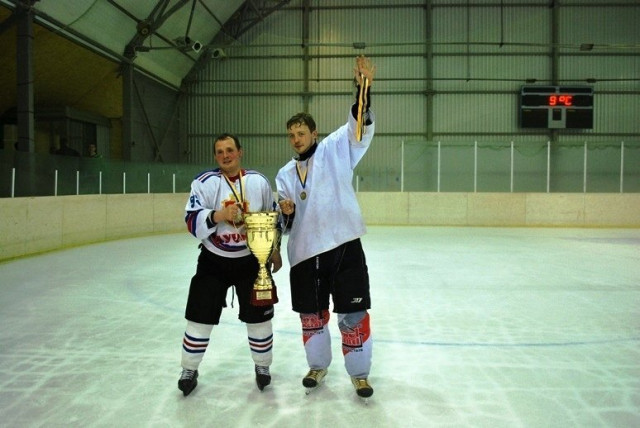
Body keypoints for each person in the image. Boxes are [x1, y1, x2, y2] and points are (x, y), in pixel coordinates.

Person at [276, 55, 376, 399]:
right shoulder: (284, 174)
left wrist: (362, 89)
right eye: (291, 135)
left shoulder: (335, 148)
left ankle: (359, 374)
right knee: (311, 317)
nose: (296, 139)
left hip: (344, 246)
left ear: (313, 133)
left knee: (353, 313)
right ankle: (317, 366)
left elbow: (358, 129)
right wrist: (286, 212)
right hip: (305, 254)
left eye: (301, 133)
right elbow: (285, 224)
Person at [178, 133, 282, 396]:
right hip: (213, 261)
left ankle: (262, 366)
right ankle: (189, 369)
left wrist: (274, 249)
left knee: (259, 317)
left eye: (230, 150)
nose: (225, 155)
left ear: (240, 152)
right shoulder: (204, 182)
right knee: (199, 316)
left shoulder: (258, 182)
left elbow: (273, 217)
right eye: (220, 151)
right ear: (215, 156)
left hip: (252, 261)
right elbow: (191, 220)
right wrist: (218, 215)